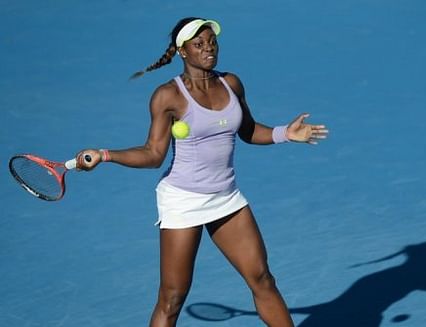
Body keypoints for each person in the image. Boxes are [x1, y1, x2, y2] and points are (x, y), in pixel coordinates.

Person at [76, 17, 328, 327]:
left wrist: (286, 133)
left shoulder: (231, 83)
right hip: (183, 200)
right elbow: (153, 155)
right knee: (172, 298)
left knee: (262, 278)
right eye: (199, 44)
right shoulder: (168, 96)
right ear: (183, 51)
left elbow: (247, 130)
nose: (208, 48)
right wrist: (105, 155)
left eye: (212, 42)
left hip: (226, 197)